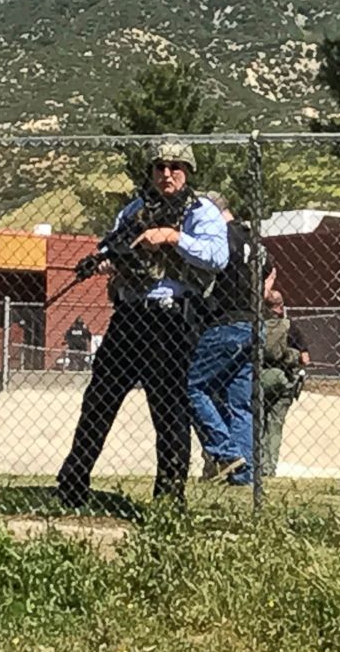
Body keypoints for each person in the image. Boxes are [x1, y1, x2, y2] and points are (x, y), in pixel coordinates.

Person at [56, 140, 229, 507]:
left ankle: (169, 498)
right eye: (159, 167)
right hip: (130, 317)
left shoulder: (203, 212)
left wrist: (172, 237)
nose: (166, 174)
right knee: (99, 401)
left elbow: (217, 256)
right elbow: (115, 251)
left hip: (171, 320)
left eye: (175, 166)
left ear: (188, 170)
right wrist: (102, 262)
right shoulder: (134, 211)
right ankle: (73, 484)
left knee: (168, 410)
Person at [189, 191, 273, 486]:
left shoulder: (221, 237)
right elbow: (269, 271)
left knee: (190, 387)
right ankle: (244, 473)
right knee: (240, 403)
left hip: (226, 322)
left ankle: (224, 452)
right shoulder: (253, 239)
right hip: (254, 323)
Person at [259, 288, 310, 479]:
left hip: (260, 379)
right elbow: (305, 359)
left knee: (258, 423)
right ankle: (269, 468)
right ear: (280, 307)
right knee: (275, 424)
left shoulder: (257, 326)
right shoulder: (290, 327)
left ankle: (256, 465)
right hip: (284, 379)